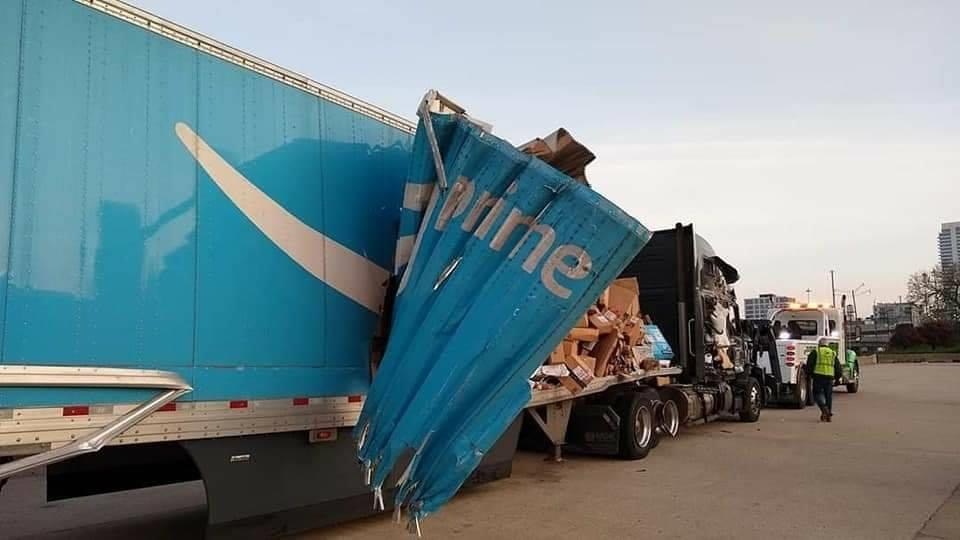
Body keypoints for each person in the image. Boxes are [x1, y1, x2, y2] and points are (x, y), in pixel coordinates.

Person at [805, 338, 843, 422]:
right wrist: (837, 378)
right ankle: (828, 415)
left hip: (818, 376)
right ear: (827, 345)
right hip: (829, 377)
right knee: (828, 396)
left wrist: (809, 374)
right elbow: (838, 368)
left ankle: (824, 408)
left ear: (819, 344)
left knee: (816, 394)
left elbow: (810, 365)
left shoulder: (816, 352)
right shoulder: (832, 353)